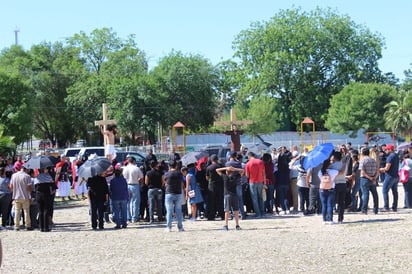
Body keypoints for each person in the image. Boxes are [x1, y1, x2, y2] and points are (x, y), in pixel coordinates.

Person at [216, 166, 244, 231]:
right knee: (236, 210)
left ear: (226, 172)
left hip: (227, 195)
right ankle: (237, 225)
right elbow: (242, 171)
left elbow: (217, 170)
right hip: (234, 195)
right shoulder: (235, 177)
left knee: (227, 211)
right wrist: (234, 169)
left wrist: (226, 168)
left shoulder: (225, 177)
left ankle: (226, 225)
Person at [10, 166, 33, 231]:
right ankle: (27, 225)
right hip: (25, 196)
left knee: (17, 211)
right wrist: (30, 194)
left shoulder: (14, 175)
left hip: (16, 196)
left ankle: (17, 226)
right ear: (26, 169)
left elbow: (11, 186)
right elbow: (29, 187)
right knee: (26, 211)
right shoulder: (27, 176)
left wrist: (13, 192)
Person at [34, 167, 57, 232]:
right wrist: (52, 193)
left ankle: (41, 227)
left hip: (38, 194)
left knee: (40, 211)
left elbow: (35, 186)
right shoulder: (48, 176)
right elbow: (53, 186)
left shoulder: (37, 177)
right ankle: (46, 227)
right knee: (46, 210)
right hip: (46, 194)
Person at [164, 160, 185, 232]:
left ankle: (168, 227)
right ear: (176, 166)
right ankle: (180, 227)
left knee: (169, 211)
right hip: (178, 193)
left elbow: (165, 183)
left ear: (169, 166)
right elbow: (182, 183)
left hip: (169, 193)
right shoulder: (179, 174)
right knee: (179, 211)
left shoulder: (167, 174)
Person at [123, 156, 144, 223]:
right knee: (135, 202)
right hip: (135, 185)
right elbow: (141, 178)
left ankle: (128, 217)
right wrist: (140, 182)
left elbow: (123, 177)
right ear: (134, 161)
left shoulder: (125, 169)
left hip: (127, 185)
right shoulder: (136, 168)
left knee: (127, 202)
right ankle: (134, 217)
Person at [245, 151, 266, 218]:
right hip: (260, 181)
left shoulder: (248, 164)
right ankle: (262, 212)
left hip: (252, 182)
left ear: (249, 156)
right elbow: (264, 173)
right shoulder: (260, 162)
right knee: (260, 197)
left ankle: (258, 213)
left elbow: (247, 175)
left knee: (254, 198)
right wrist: (264, 182)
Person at [226, 152, 246, 219]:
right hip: (238, 182)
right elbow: (241, 172)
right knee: (240, 199)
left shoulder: (227, 163)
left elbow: (227, 174)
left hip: (231, 184)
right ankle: (242, 214)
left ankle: (234, 216)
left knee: (232, 200)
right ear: (235, 156)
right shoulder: (238, 163)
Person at [379, 144, 399, 212]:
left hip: (389, 176)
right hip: (396, 176)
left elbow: (387, 168)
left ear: (390, 149)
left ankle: (386, 207)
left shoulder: (390, 157)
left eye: (386, 149)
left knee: (384, 190)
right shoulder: (396, 155)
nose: (385, 151)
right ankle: (394, 207)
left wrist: (380, 169)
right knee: (395, 192)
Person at [318, 159, 339, 224]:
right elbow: (341, 172)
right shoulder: (333, 171)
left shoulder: (320, 172)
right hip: (331, 188)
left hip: (322, 189)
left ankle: (324, 220)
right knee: (330, 205)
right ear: (329, 164)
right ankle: (330, 220)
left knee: (324, 205)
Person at [359, 148, 379, 214]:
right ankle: (375, 209)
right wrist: (374, 178)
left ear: (362, 153)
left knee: (365, 194)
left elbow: (362, 172)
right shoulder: (373, 160)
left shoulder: (362, 160)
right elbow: (377, 170)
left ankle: (364, 209)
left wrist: (369, 177)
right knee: (375, 194)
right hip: (373, 178)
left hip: (365, 179)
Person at [206, 154, 224, 220]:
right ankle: (222, 215)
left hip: (212, 186)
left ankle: (211, 215)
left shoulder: (209, 167)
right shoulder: (221, 166)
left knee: (211, 201)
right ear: (217, 159)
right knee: (220, 200)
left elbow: (207, 177)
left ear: (211, 160)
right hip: (220, 185)